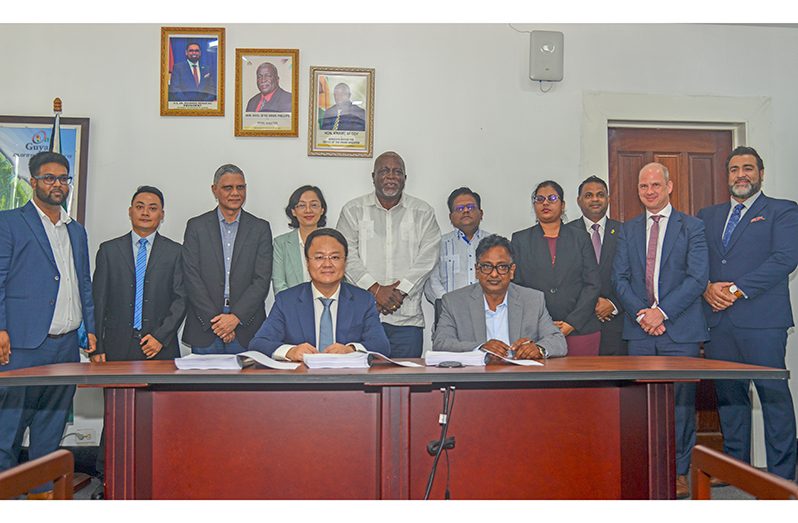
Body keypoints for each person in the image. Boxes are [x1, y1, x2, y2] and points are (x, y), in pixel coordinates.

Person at [698, 146, 797, 481]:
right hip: (718, 323)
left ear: (761, 174)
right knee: (730, 399)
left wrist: (735, 289)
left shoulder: (782, 211)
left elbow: (784, 259)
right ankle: (735, 471)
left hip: (763, 322)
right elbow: (697, 263)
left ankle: (783, 476)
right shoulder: (707, 215)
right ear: (726, 175)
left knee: (774, 398)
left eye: (748, 168)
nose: (741, 175)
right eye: (734, 169)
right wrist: (707, 286)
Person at [0, 151, 96, 498]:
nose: (58, 184)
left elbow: (82, 283)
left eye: (63, 178)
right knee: (8, 429)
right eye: (50, 178)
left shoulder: (76, 230)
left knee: (50, 428)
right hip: (23, 345)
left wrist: (91, 329)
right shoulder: (9, 223)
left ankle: (42, 497)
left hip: (65, 345)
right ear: (33, 182)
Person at [612, 162, 708, 498]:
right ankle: (644, 469)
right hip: (640, 331)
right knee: (640, 404)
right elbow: (619, 278)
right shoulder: (628, 229)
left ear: (669, 186)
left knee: (680, 405)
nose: (649, 192)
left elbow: (697, 278)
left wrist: (661, 313)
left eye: (655, 185)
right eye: (643, 187)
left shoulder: (692, 227)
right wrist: (644, 316)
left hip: (679, 330)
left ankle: (680, 471)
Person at [337, 151, 441, 357]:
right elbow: (345, 255)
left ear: (405, 178)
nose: (391, 176)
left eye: (397, 172)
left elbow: (428, 258)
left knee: (406, 383)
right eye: (384, 171)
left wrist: (399, 293)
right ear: (373, 176)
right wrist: (376, 290)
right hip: (362, 318)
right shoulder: (353, 210)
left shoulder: (423, 212)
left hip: (407, 320)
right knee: (359, 384)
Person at [249, 228, 390, 360]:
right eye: (319, 257)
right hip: (302, 381)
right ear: (307, 262)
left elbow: (381, 345)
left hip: (347, 379)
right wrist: (290, 351)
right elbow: (259, 344)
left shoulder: (363, 300)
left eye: (335, 257)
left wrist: (352, 349)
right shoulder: (287, 301)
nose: (327, 264)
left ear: (345, 262)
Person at [182, 164, 273, 354]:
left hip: (246, 325)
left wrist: (235, 318)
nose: (235, 193)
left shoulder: (260, 228)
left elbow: (261, 280)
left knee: (247, 384)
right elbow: (191, 276)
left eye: (240, 187)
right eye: (227, 188)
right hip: (206, 325)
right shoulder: (196, 226)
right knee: (204, 385)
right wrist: (218, 322)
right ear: (214, 190)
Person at [432, 234, 567, 358]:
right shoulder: (454, 302)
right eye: (487, 267)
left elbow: (558, 341)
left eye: (502, 267)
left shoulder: (532, 300)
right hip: (475, 379)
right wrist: (480, 349)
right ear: (477, 271)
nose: (494, 274)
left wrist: (538, 349)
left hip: (520, 377)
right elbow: (441, 343)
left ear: (512, 271)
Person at [91, 186, 185, 362]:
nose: (145, 213)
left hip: (159, 347)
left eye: (153, 208)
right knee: (117, 391)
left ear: (162, 214)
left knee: (159, 391)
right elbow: (99, 300)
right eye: (139, 207)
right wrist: (97, 348)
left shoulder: (175, 252)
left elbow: (181, 300)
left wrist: (160, 337)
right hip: (115, 346)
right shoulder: (109, 251)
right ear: (130, 211)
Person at [510, 180, 601, 355]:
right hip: (536, 332)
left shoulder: (581, 238)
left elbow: (592, 284)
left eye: (552, 198)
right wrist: (542, 324)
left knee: (582, 381)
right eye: (540, 199)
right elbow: (517, 287)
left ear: (563, 205)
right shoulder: (520, 240)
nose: (545, 203)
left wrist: (571, 323)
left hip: (580, 329)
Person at [566, 175, 627, 356]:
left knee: (616, 382)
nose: (595, 199)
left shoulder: (625, 231)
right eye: (588, 195)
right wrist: (589, 303)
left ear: (608, 199)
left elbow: (636, 275)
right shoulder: (566, 234)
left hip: (616, 325)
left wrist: (615, 304)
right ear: (578, 201)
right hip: (578, 325)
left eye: (600, 195)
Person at [424, 187, 491, 304]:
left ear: (481, 213)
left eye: (470, 207)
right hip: (449, 314)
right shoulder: (437, 245)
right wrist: (451, 306)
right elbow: (432, 282)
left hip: (488, 314)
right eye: (459, 208)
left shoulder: (495, 245)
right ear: (451, 217)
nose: (465, 211)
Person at [272, 185, 327, 295]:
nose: (308, 210)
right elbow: (279, 285)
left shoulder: (333, 242)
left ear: (322, 210)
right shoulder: (281, 243)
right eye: (302, 205)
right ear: (293, 211)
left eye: (314, 205)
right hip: (292, 307)